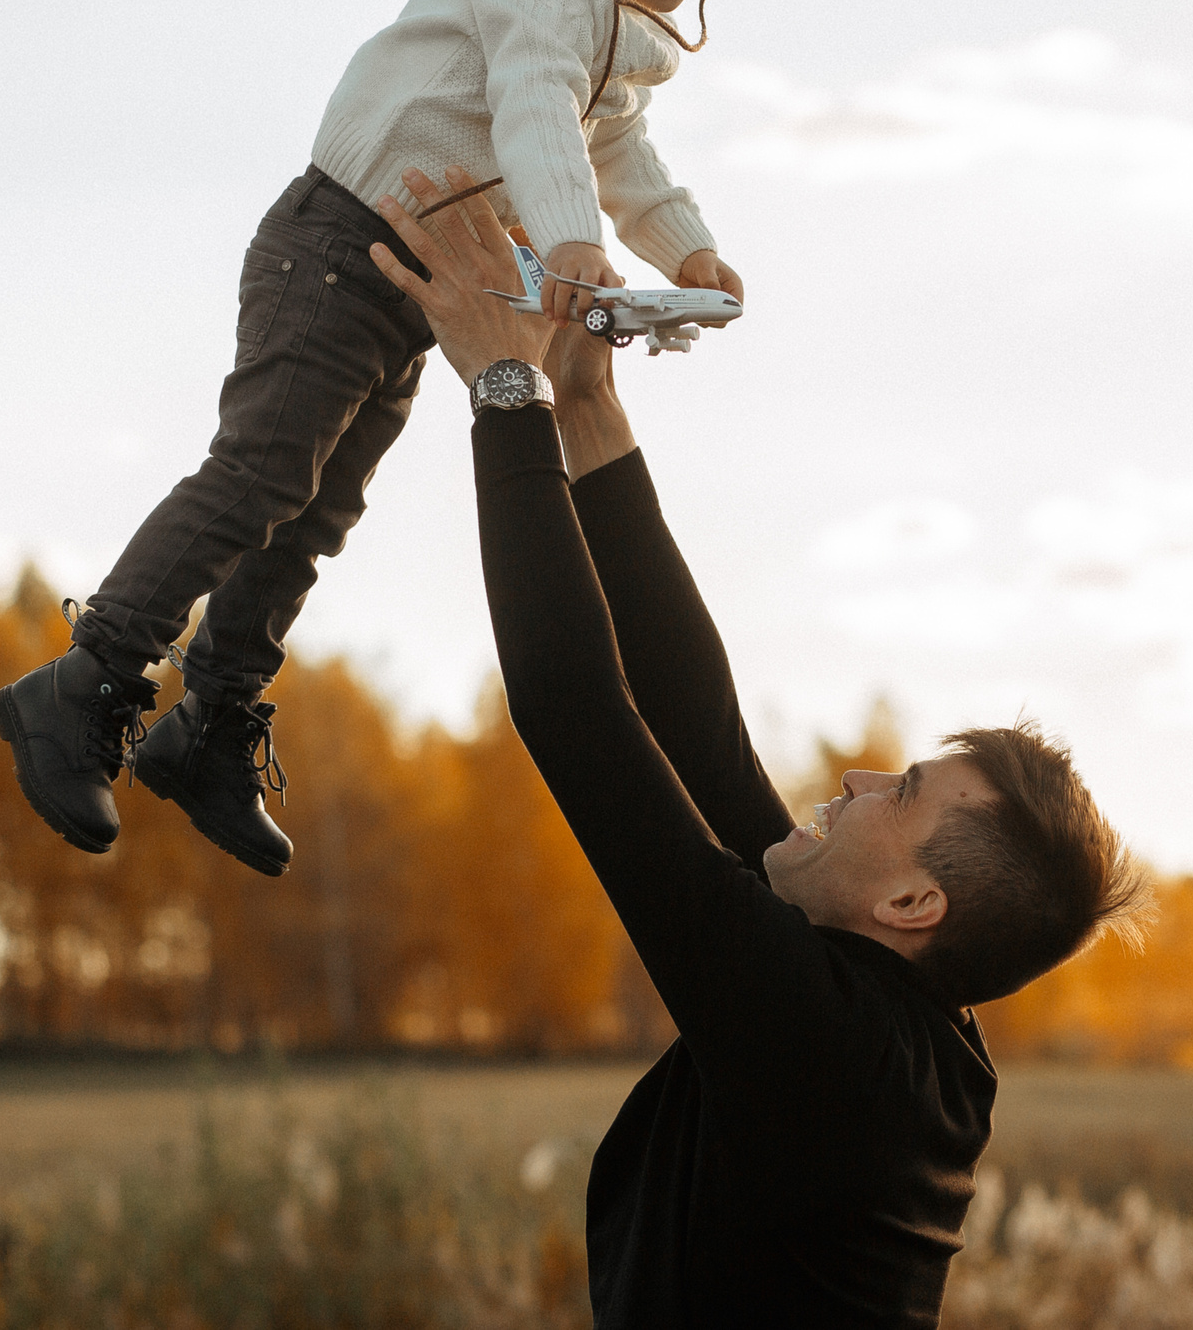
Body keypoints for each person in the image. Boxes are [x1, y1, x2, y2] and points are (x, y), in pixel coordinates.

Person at [0, 0, 781, 875]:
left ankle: (209, 720)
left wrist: (684, 249)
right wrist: (567, 244)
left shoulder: (618, 26)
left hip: (417, 276)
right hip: (335, 240)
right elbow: (532, 108)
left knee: (318, 511)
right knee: (263, 469)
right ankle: (92, 672)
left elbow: (613, 145)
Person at [366, 177, 1148, 1329]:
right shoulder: (900, 1021)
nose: (857, 778)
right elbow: (704, 740)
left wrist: (505, 386)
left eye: (906, 791)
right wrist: (586, 407)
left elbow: (577, 713)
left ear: (914, 898)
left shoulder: (827, 1044)